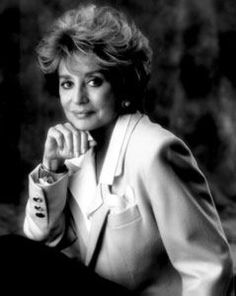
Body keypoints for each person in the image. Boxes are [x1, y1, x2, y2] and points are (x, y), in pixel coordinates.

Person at [22, 3, 234, 296]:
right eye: (67, 83)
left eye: (94, 81)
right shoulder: (79, 151)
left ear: (123, 85)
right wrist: (51, 169)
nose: (77, 99)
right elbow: (45, 240)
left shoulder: (156, 152)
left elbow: (208, 268)